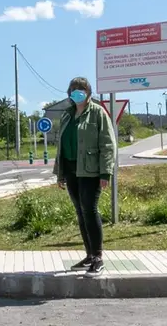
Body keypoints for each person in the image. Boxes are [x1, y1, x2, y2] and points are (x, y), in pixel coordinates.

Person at [53, 76, 116, 277]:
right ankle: (89, 255)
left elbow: (108, 144)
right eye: (73, 90)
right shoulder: (67, 115)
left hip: (90, 171)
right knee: (80, 213)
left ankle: (98, 257)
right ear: (69, 93)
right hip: (71, 170)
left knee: (90, 210)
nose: (77, 93)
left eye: (81, 90)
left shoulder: (97, 113)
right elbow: (61, 146)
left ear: (88, 93)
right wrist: (61, 173)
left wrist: (106, 172)